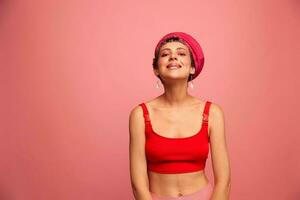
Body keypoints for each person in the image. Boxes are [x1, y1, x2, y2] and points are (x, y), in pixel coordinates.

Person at [129, 32, 231, 200]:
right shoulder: (140, 115)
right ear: (156, 68)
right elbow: (138, 185)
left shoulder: (212, 113)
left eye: (181, 53)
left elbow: (224, 181)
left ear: (192, 67)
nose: (173, 57)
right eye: (165, 54)